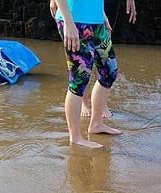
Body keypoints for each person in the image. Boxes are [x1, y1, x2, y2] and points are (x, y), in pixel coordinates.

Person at [50, 0, 137, 148]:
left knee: (110, 71)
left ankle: (96, 124)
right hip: (74, 20)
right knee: (79, 78)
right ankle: (75, 136)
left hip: (96, 20)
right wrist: (68, 23)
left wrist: (101, 14)